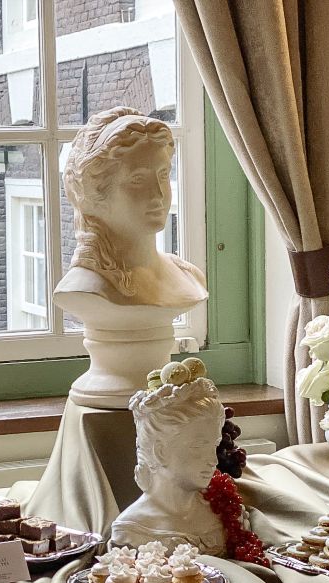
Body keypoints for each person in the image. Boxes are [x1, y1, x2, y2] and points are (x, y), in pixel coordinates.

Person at [55, 107, 208, 408]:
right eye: (137, 180)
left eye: (163, 174)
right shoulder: (85, 287)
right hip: (110, 390)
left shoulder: (188, 276)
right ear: (96, 193)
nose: (158, 194)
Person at [111, 377, 227, 553]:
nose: (213, 460)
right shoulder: (133, 530)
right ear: (160, 452)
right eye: (198, 446)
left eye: (214, 446)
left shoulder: (221, 513)